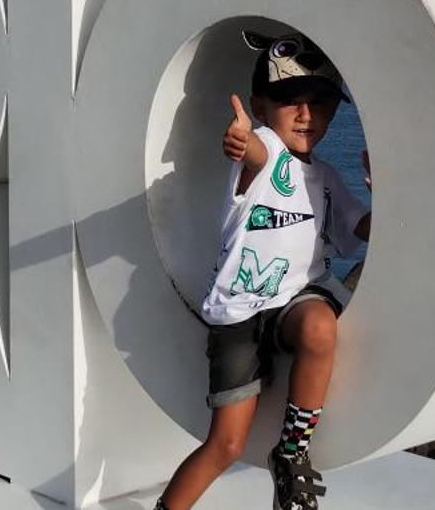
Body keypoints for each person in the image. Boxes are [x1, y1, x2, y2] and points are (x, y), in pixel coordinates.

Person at [156, 31, 372, 510]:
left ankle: (291, 453)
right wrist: (243, 138)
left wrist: (389, 191)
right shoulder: (268, 150)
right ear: (260, 106)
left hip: (295, 301)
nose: (306, 114)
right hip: (239, 315)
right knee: (226, 444)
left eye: (320, 103)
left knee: (320, 327)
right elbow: (254, 152)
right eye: (290, 100)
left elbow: (362, 228)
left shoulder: (326, 178)